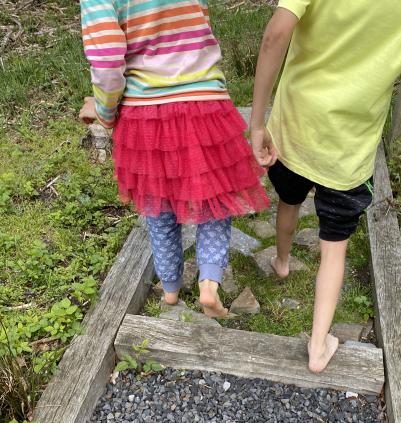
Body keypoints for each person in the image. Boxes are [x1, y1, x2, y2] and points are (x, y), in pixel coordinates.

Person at [251, 0, 401, 371]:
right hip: (349, 147)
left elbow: (275, 34)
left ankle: (281, 262)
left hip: (294, 127)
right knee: (334, 246)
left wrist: (258, 122)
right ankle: (318, 345)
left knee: (289, 202)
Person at [79, 0, 269, 318]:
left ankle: (170, 288)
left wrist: (104, 112)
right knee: (215, 199)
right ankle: (209, 284)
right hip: (205, 103)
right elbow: (201, 22)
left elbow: (108, 58)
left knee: (158, 204)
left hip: (144, 111)